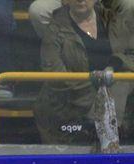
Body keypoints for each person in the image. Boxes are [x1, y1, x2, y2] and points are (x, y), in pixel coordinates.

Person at [34, 0, 129, 146]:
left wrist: (114, 65)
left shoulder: (112, 20)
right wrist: (97, 91)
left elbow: (128, 54)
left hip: (111, 108)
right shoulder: (54, 29)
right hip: (68, 112)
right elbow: (55, 77)